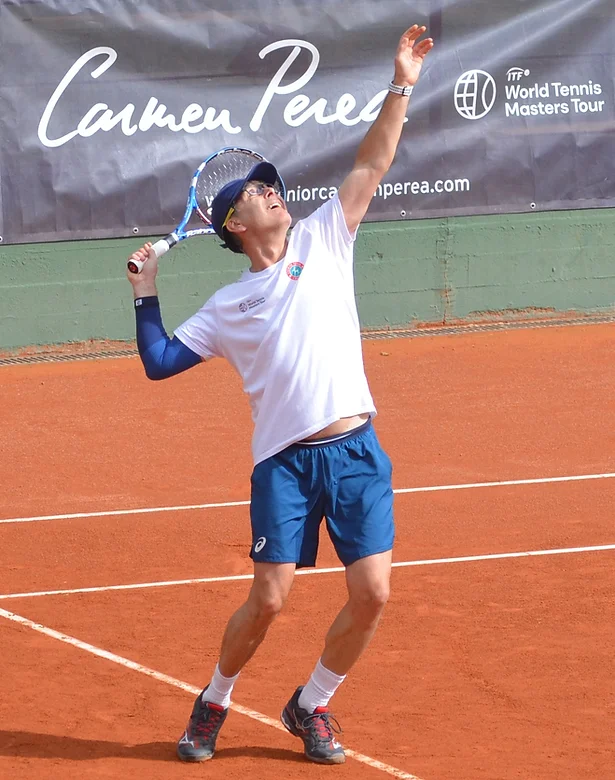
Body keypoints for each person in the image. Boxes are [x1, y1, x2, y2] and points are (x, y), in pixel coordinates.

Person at [126, 24, 433, 765]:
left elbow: (374, 159)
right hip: (285, 466)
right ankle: (214, 701)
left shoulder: (325, 237)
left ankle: (311, 704)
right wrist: (146, 292)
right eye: (258, 191)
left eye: (273, 184)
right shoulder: (227, 306)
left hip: (356, 451)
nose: (274, 190)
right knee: (268, 598)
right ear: (234, 223)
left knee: (374, 593)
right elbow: (160, 363)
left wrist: (401, 83)